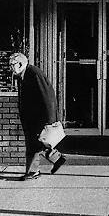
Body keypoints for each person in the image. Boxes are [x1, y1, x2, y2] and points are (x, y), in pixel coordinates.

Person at [9, 52, 66, 180]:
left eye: (12, 65)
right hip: (31, 117)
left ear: (20, 64)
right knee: (34, 143)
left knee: (33, 144)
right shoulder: (22, 75)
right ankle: (56, 158)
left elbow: (47, 96)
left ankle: (34, 171)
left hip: (38, 117)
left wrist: (50, 120)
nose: (10, 68)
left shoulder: (34, 73)